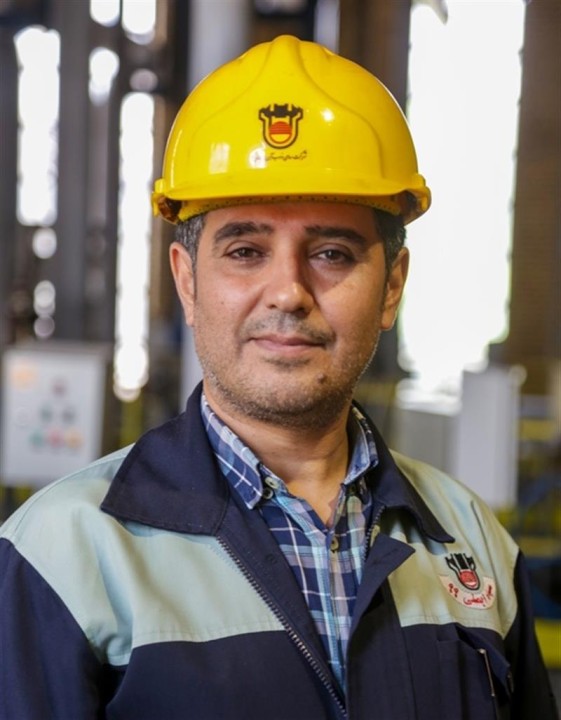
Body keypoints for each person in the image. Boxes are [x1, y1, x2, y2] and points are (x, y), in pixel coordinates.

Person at [0, 35, 557, 720]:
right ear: (187, 281)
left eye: (332, 252)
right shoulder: (60, 555)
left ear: (392, 286)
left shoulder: (471, 542)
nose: (289, 291)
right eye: (245, 250)